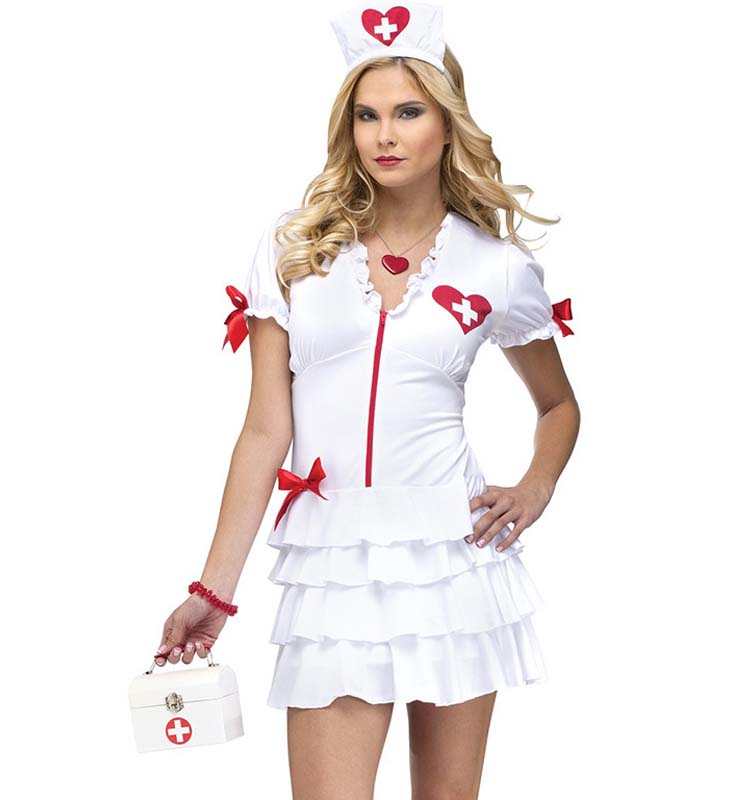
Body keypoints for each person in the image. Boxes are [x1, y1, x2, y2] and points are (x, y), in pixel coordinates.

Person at [155, 3, 580, 797]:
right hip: (335, 567)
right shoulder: (295, 248)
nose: (385, 134)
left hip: (454, 559)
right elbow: (264, 432)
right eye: (367, 115)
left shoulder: (497, 267)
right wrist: (214, 592)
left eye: (408, 112)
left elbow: (559, 405)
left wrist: (535, 487)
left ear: (447, 125)